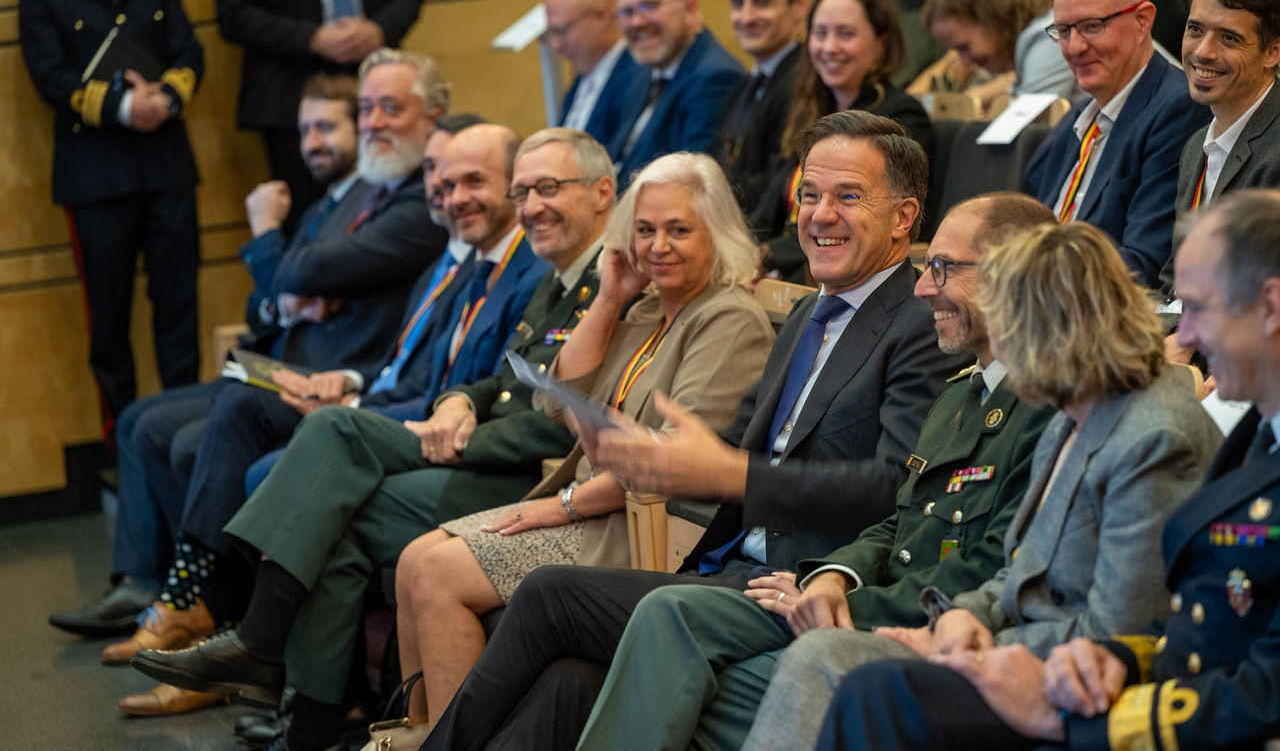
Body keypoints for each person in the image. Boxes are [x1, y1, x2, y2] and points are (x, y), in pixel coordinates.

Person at [421, 110, 964, 751]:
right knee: (569, 677)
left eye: (847, 197)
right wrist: (643, 457)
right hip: (727, 564)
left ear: (903, 218)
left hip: (805, 582)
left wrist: (724, 473)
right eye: (810, 195)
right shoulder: (808, 319)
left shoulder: (919, 324)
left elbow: (893, 490)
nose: (819, 215)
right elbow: (724, 453)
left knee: (547, 597)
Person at [132, 127, 619, 751]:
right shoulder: (560, 274)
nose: (531, 207)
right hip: (477, 442)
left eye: (546, 188)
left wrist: (465, 436)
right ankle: (304, 719)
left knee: (334, 454)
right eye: (523, 191)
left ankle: (266, 654)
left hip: (532, 475)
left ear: (604, 192)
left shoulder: (609, 281)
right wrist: (458, 402)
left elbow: (568, 420)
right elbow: (503, 378)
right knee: (319, 463)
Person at [565, 192, 1058, 751]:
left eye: (943, 269)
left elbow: (991, 568)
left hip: (925, 629)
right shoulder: (959, 396)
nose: (924, 287)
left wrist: (842, 598)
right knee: (664, 616)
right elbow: (900, 523)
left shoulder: (1047, 412)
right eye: (807, 196)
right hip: (847, 594)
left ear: (1014, 276)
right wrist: (831, 576)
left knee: (667, 682)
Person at [813, 188, 1280, 751]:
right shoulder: (1072, 421)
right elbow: (1023, 573)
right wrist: (964, 620)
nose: (1187, 338)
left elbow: (1140, 628)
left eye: (1199, 309)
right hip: (1104, 671)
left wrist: (995, 657)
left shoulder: (1155, 434)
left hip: (1133, 700)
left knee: (872, 686)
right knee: (867, 682)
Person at [45, 59, 439, 648]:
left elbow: (298, 271)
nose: (317, 141)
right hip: (283, 358)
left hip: (337, 374)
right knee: (142, 423)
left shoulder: (413, 200)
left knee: (186, 437)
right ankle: (174, 594)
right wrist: (289, 299)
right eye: (365, 109)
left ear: (430, 118)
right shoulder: (334, 202)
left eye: (336, 124)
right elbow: (272, 294)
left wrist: (265, 231)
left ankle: (206, 607)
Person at [396, 152, 775, 730]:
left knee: (438, 574)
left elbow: (665, 464)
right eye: (644, 231)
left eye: (679, 230)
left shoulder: (728, 319)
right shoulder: (650, 306)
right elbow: (555, 397)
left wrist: (561, 506)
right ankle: (415, 731)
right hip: (590, 509)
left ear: (716, 234)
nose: (658, 247)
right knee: (412, 558)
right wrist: (608, 298)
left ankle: (448, 743)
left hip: (641, 527)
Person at [18, 0, 204, 436]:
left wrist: (166, 97)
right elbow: (50, 77)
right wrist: (124, 107)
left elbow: (189, 53)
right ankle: (123, 445)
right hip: (95, 178)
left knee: (178, 310)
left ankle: (186, 431)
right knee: (109, 321)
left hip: (166, 167)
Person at [215, 0, 423, 226]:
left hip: (372, 87)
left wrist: (380, 30)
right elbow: (233, 13)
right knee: (312, 224)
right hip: (292, 99)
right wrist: (313, 39)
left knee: (386, 212)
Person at [1023, 0, 1211, 288]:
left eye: (1092, 26)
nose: (1074, 47)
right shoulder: (1078, 118)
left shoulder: (1177, 109)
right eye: (1064, 31)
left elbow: (1145, 263)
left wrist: (1033, 280)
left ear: (1143, 20)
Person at [755, 0, 934, 282]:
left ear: (881, 43)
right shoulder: (807, 111)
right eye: (820, 33)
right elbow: (769, 208)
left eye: (846, 34)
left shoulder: (901, 116)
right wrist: (749, 252)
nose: (830, 47)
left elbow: (868, 223)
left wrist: (770, 257)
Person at [1158, 0, 1280, 298]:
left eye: (1228, 37)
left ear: (1273, 51)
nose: (1203, 52)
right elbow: (1176, 276)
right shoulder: (1197, 145)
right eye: (1195, 29)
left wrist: (1186, 339)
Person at [607, 0, 744, 187]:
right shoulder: (644, 69)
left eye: (648, 7)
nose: (636, 22)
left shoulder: (715, 77)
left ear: (690, 10)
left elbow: (691, 184)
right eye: (626, 12)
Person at [914, 0, 1082, 111]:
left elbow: (1025, 128)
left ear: (991, 17)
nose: (964, 62)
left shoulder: (1047, 37)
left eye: (964, 47)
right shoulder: (1029, 42)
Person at [713, 0, 808, 211]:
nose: (746, 17)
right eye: (738, 3)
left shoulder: (807, 83)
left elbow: (779, 179)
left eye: (762, 1)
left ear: (799, 5)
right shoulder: (743, 86)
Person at [546, 0, 643, 145]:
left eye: (562, 31)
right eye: (552, 33)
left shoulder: (640, 80)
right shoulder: (581, 82)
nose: (556, 46)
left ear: (602, 16)